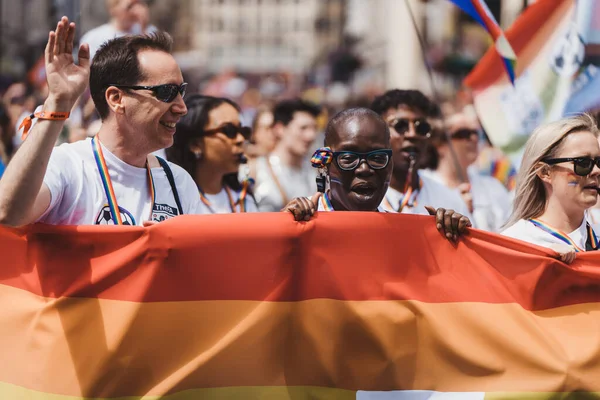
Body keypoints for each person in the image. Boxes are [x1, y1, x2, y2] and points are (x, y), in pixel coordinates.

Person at [0, 17, 200, 227]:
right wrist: (58, 103)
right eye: (167, 92)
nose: (182, 108)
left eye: (181, 91)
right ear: (116, 99)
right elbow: (7, 213)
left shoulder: (178, 183)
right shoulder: (68, 166)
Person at [281, 108, 471, 242]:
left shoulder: (406, 238)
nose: (364, 169)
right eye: (349, 158)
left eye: (378, 158)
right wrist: (282, 230)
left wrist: (452, 240)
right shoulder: (298, 226)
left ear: (390, 165)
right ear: (326, 164)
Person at [502, 114, 600, 264]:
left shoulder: (596, 236)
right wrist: (540, 268)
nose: (596, 171)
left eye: (599, 162)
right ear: (545, 172)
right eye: (582, 162)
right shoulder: (514, 244)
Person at [369, 89, 472, 217]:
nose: (412, 134)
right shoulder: (360, 198)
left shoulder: (451, 203)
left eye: (421, 128)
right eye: (400, 126)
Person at [167, 94, 257, 214]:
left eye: (243, 131)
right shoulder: (171, 201)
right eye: (228, 131)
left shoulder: (244, 201)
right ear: (195, 144)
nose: (240, 139)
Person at [423, 111, 512, 232]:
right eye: (463, 134)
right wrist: (457, 205)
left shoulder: (492, 186)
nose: (474, 138)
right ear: (439, 145)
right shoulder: (424, 189)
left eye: (476, 133)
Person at [253, 98, 321, 212]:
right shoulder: (255, 169)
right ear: (280, 129)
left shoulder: (317, 172)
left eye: (314, 128)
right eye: (303, 128)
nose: (311, 136)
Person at [80, 0, 157, 60]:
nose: (135, 11)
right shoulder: (93, 37)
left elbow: (156, 57)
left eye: (138, 4)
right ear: (113, 9)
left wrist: (143, 28)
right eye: (130, 6)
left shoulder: (149, 31)